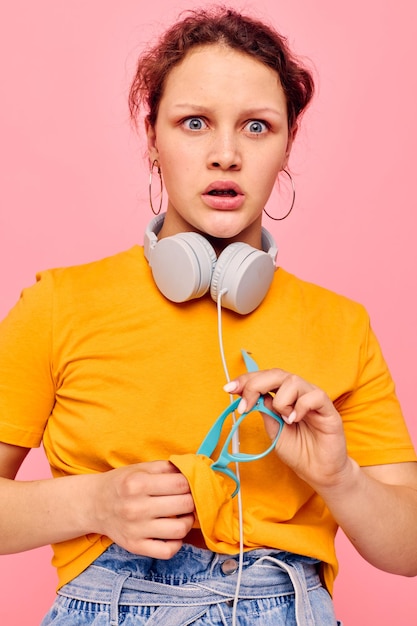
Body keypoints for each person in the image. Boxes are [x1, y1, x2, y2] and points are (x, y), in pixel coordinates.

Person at [0, 5, 416, 625]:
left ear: (288, 143)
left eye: (256, 126)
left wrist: (341, 478)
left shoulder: (342, 323)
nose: (225, 154)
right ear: (152, 136)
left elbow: (406, 549)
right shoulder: (60, 304)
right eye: (194, 122)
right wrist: (93, 502)